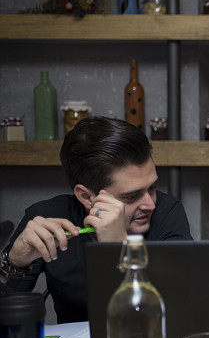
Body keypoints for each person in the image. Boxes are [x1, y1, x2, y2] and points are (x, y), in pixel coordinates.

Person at [0, 117, 192, 323]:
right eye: (131, 196)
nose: (150, 204)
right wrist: (15, 262)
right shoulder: (47, 217)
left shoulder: (167, 212)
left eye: (152, 188)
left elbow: (183, 309)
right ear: (86, 196)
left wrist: (121, 247)